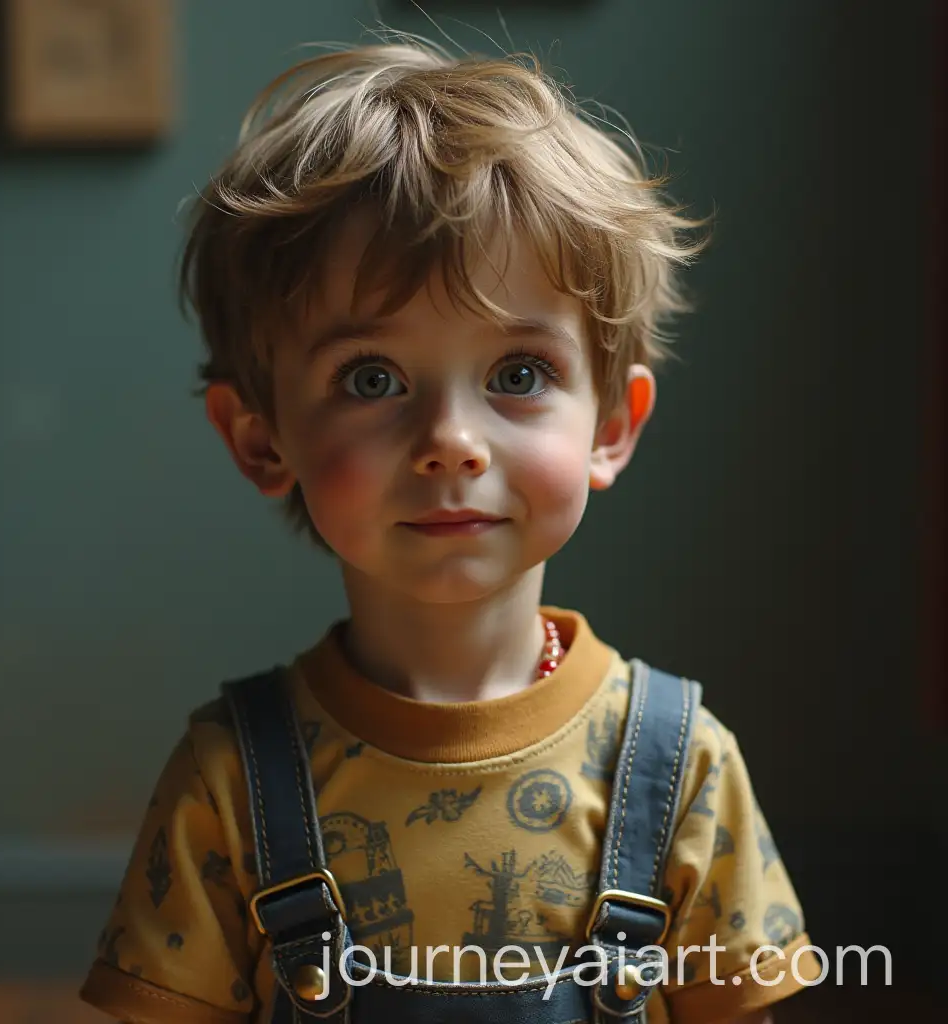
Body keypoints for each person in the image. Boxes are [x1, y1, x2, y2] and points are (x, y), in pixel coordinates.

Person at [79, 39, 821, 1024]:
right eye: (372, 378)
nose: (449, 442)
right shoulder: (230, 783)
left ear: (610, 427)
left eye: (517, 374)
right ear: (261, 440)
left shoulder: (680, 764)